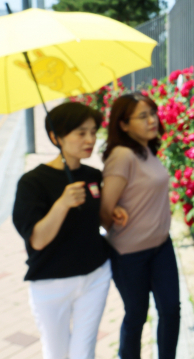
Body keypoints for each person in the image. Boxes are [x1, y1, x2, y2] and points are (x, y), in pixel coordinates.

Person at [12, 102, 128, 359]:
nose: (90, 139)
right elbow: (38, 240)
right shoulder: (32, 183)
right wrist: (62, 204)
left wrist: (110, 213)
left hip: (94, 276)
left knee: (84, 352)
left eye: (93, 131)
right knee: (56, 353)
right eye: (81, 132)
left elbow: (92, 221)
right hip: (51, 284)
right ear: (56, 137)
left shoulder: (93, 175)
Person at [101, 93, 180, 359]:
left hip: (161, 246)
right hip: (130, 253)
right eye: (142, 116)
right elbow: (104, 212)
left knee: (170, 310)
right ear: (123, 124)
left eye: (153, 113)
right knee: (136, 316)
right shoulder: (122, 156)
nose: (152, 120)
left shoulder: (145, 149)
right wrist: (114, 209)